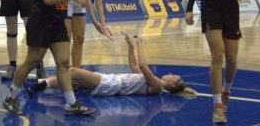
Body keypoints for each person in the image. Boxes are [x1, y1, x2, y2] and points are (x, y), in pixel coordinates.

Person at [3, 0, 96, 116]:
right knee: (31, 62)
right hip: (41, 22)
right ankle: (10, 98)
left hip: (56, 22)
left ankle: (71, 104)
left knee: (63, 63)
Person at [185, 0, 250, 124]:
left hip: (230, 7)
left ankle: (226, 91)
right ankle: (217, 106)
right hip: (210, 6)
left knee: (231, 61)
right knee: (218, 56)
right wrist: (189, 8)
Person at [26, 33, 196, 97]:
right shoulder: (154, 82)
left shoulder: (158, 86)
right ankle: (41, 85)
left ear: (172, 84)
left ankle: (40, 85)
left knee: (73, 72)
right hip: (112, 81)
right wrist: (130, 46)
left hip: (112, 86)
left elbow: (143, 66)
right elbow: (134, 66)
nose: (171, 74)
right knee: (74, 79)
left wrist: (140, 44)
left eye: (174, 76)